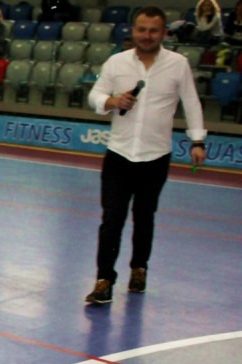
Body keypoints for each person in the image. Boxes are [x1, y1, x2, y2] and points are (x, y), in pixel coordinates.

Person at [85, 6, 206, 304]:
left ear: (163, 33)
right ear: (133, 31)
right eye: (142, 29)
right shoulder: (116, 62)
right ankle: (104, 280)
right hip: (119, 155)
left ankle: (139, 268)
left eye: (153, 31)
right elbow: (94, 95)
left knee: (144, 217)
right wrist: (112, 100)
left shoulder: (178, 64)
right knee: (112, 220)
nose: (147, 35)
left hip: (155, 157)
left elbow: (191, 103)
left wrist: (197, 141)